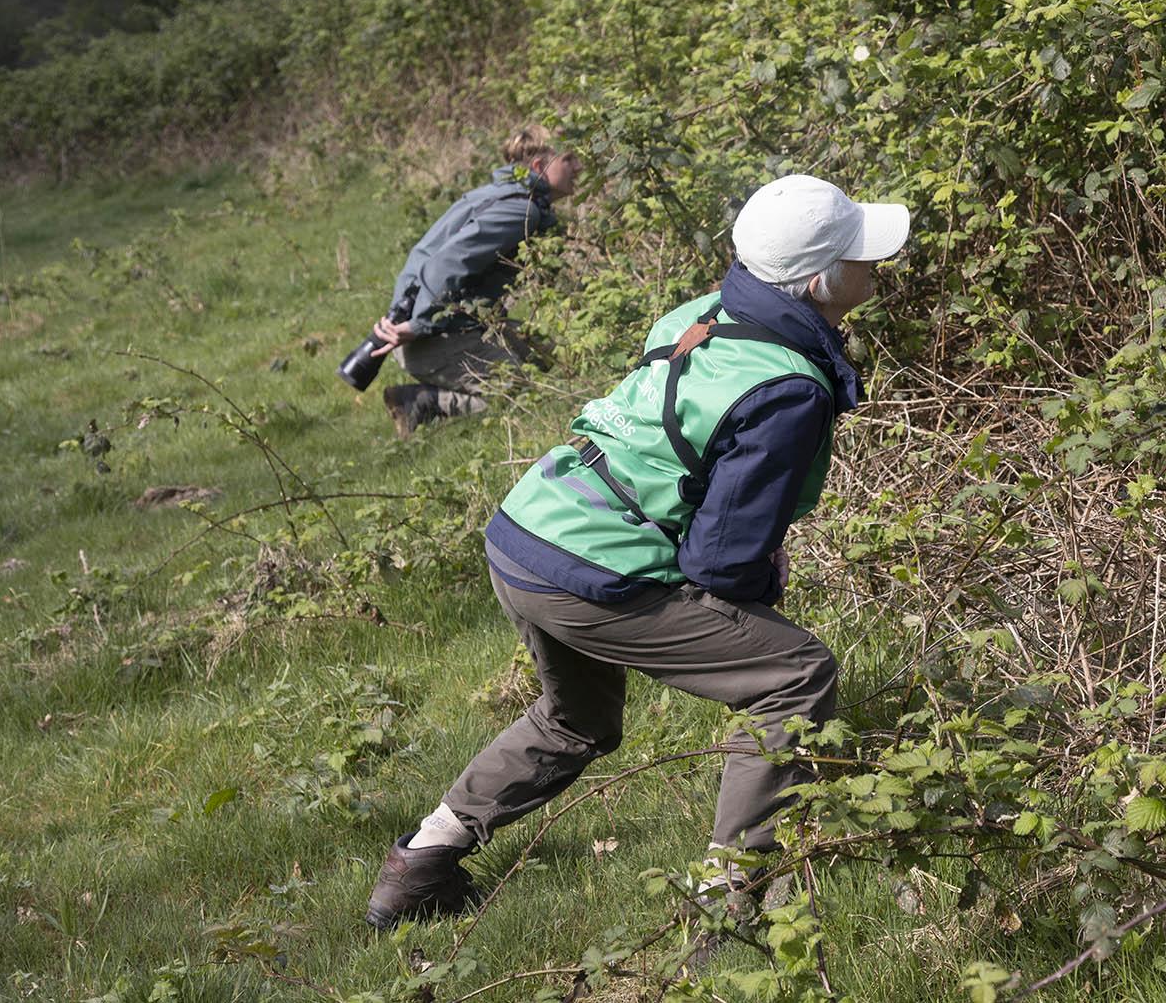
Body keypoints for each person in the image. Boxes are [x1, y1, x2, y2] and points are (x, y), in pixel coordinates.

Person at [364, 173, 911, 930]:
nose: (874, 264)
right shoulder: (788, 389)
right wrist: (759, 591)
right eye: (859, 254)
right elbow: (720, 565)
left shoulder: (704, 312)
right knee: (794, 675)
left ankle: (417, 868)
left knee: (576, 720)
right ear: (818, 283)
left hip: (528, 530)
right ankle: (730, 912)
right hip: (588, 571)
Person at [369, 125, 581, 437]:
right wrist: (419, 324)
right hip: (429, 336)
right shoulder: (520, 210)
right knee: (524, 396)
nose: (578, 167)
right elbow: (448, 262)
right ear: (538, 166)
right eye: (569, 159)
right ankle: (424, 401)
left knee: (553, 360)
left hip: (447, 325)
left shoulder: (507, 198)